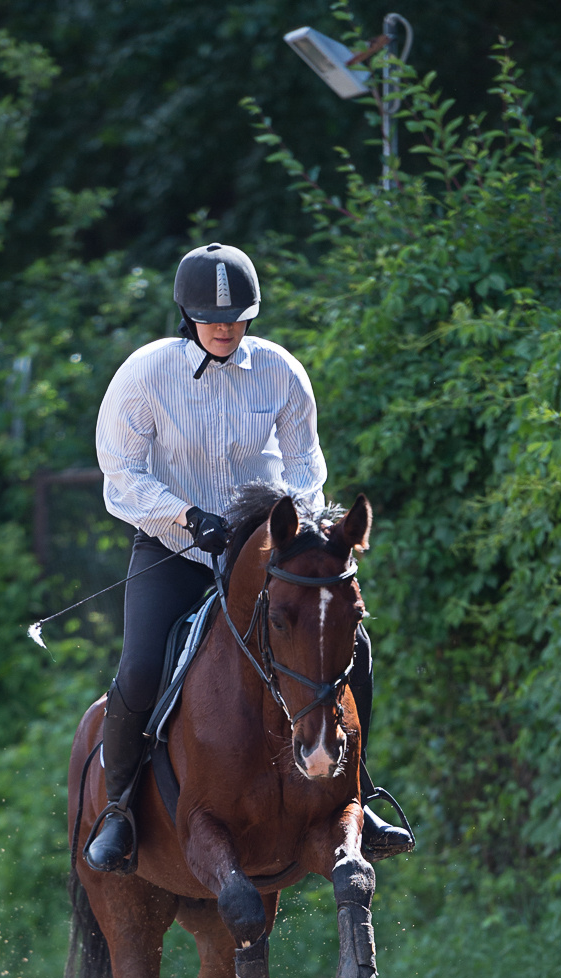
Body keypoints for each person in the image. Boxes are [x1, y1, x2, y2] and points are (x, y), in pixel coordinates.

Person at [85, 241, 413, 873]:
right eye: (214, 321)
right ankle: (121, 809)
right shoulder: (145, 375)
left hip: (268, 555)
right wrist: (185, 515)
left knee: (356, 651)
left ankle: (358, 791)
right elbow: (120, 473)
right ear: (187, 316)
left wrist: (285, 534)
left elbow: (306, 471)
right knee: (141, 665)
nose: (227, 331)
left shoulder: (282, 373)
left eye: (238, 321)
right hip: (174, 545)